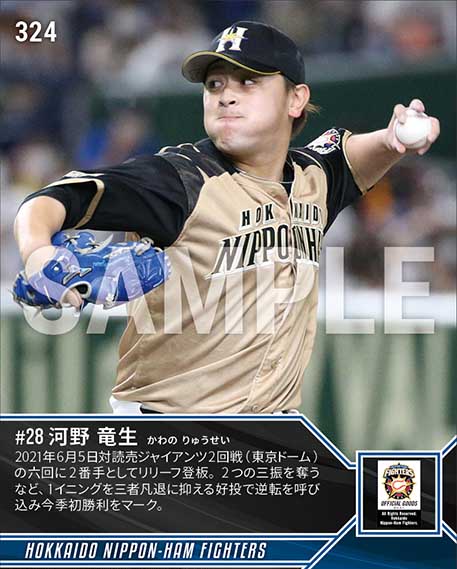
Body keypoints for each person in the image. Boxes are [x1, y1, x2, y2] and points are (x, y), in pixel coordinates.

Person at [14, 21, 440, 415]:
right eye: (214, 84)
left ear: (296, 99)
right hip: (169, 432)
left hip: (270, 436)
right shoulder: (180, 178)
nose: (225, 95)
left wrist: (395, 138)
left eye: (248, 81)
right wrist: (37, 252)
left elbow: (351, 156)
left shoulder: (315, 178)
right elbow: (52, 198)